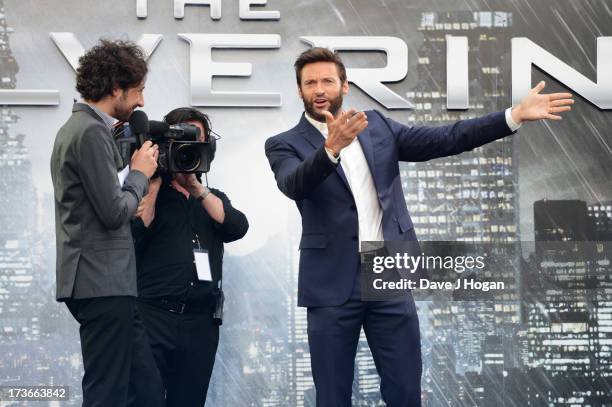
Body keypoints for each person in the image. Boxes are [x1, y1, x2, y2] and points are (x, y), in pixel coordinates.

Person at [264, 47, 574, 406]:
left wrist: (512, 116)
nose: (319, 89)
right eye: (310, 83)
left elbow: (445, 139)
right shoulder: (284, 143)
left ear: (344, 86)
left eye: (327, 81)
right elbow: (293, 184)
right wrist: (330, 150)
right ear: (300, 91)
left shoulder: (376, 125)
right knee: (332, 396)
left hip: (388, 275)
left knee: (406, 391)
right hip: (331, 284)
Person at [50, 39, 164, 407]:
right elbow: (115, 211)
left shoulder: (87, 129)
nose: (142, 102)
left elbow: (95, 182)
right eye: (139, 90)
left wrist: (126, 158)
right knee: (108, 393)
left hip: (108, 283)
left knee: (145, 391)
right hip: (101, 283)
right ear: (116, 87)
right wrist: (140, 173)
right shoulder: (88, 131)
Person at [131, 107, 249, 406]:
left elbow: (236, 227)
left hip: (201, 323)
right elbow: (133, 234)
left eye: (196, 139)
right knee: (146, 399)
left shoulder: (212, 198)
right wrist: (154, 180)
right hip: (151, 318)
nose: (189, 147)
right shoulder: (146, 193)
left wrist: (196, 187)